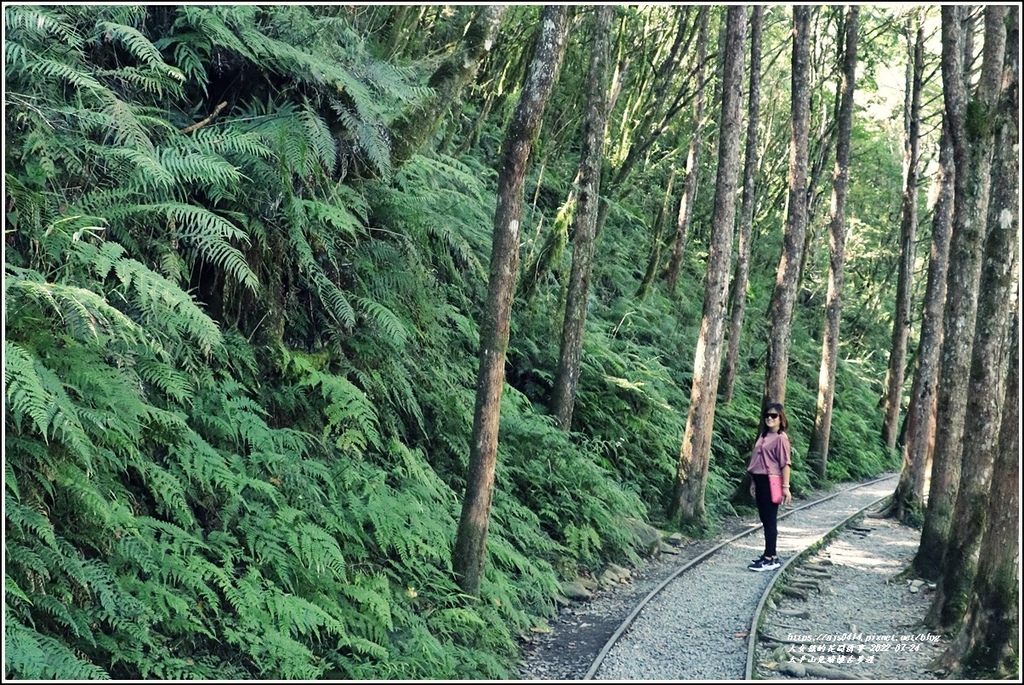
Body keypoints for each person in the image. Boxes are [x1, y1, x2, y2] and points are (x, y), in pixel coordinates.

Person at [746, 402, 792, 571]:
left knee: (770, 520)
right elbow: (758, 460)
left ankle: (769, 558)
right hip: (759, 481)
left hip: (770, 481)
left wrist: (786, 487)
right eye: (767, 415)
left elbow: (785, 463)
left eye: (774, 416)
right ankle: (770, 556)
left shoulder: (781, 438)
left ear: (781, 418)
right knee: (765, 520)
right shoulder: (763, 435)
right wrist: (753, 482)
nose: (770, 418)